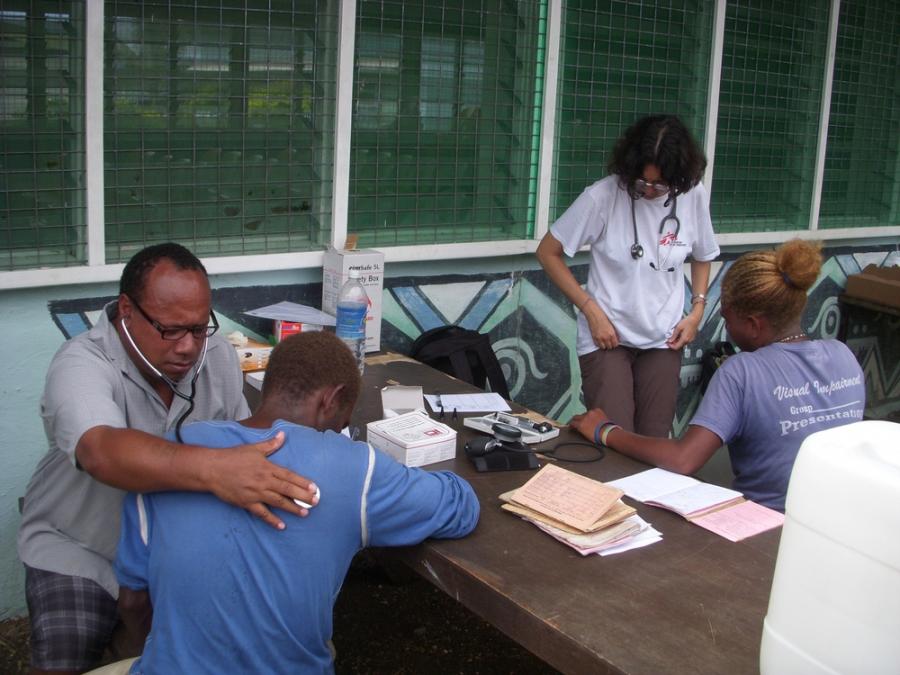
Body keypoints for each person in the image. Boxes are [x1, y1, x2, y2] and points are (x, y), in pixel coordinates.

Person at [17, 243, 318, 675]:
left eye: (198, 329)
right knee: (69, 651)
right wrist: (216, 468)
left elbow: (241, 442)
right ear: (126, 310)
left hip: (172, 548)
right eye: (171, 330)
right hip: (82, 546)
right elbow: (101, 451)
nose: (188, 347)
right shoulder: (80, 362)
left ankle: (134, 635)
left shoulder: (216, 356)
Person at [111, 331, 480, 674]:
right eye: (344, 420)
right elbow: (461, 507)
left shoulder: (169, 457)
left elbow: (133, 602)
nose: (340, 431)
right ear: (331, 400)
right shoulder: (355, 468)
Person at [570, 239, 866, 512]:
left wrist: (606, 430)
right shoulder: (844, 355)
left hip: (767, 529)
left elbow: (683, 459)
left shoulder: (742, 371)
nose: (726, 329)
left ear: (753, 324)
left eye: (726, 318)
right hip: (836, 517)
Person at [537, 114, 719, 437]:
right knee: (614, 439)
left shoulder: (693, 195)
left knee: (653, 442)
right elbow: (547, 252)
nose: (649, 190)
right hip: (608, 337)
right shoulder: (603, 196)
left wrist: (697, 310)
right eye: (642, 181)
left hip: (664, 338)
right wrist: (591, 311)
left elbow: (703, 255)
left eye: (660, 185)